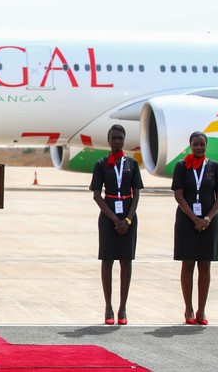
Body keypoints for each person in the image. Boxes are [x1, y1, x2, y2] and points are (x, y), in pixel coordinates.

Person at [89, 124, 143, 325]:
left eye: (121, 138)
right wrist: (114, 219)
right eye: (114, 138)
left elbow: (136, 192)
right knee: (107, 261)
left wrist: (128, 219)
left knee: (126, 262)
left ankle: (123, 307)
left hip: (128, 216)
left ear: (124, 139)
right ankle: (108, 307)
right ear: (109, 139)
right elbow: (96, 195)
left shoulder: (132, 164)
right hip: (108, 216)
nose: (117, 142)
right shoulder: (101, 164)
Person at [172, 131, 218, 325]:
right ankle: (188, 309)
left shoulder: (214, 167)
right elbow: (178, 195)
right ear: (190, 145)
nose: (199, 147)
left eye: (202, 144)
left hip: (208, 222)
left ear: (206, 146)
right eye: (195, 144)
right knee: (187, 264)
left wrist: (207, 218)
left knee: (205, 265)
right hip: (187, 221)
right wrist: (194, 218)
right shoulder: (181, 166)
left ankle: (202, 310)